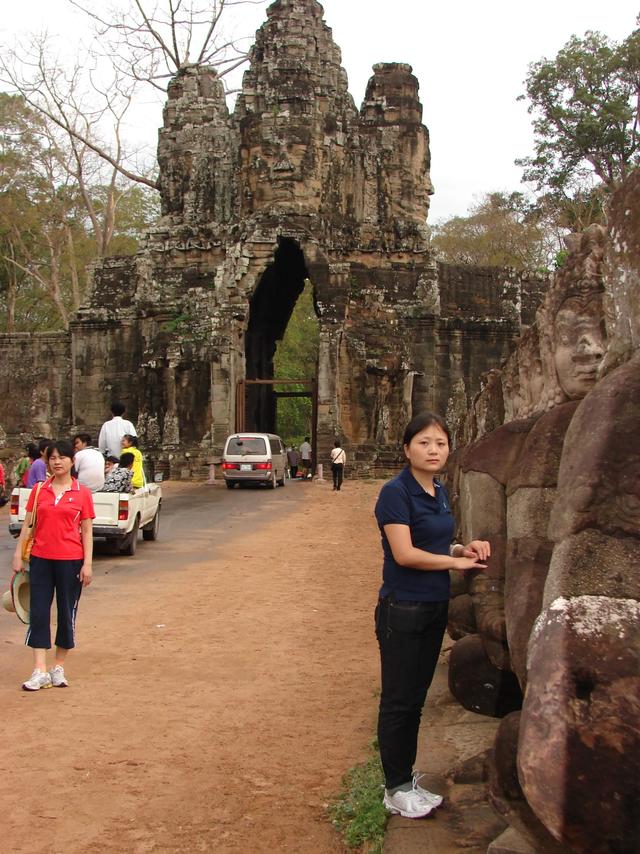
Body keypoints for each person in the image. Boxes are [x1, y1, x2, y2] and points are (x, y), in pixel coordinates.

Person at [374, 412, 490, 818]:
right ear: (406, 449)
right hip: (402, 609)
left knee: (416, 700)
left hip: (432, 607)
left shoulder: (437, 490)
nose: (433, 449)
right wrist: (455, 566)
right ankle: (395, 788)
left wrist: (463, 550)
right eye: (424, 442)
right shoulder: (396, 493)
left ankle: (406, 779)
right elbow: (404, 554)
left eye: (440, 443)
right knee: (398, 701)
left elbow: (439, 542)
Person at [12, 439, 94, 691]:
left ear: (72, 461)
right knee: (38, 612)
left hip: (71, 560)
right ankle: (39, 670)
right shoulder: (39, 491)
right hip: (40, 559)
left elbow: (87, 531)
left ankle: (58, 666)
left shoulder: (82, 493)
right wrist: (18, 555)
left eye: (62, 458)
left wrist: (87, 564)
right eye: (53, 458)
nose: (57, 462)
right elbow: (27, 525)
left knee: (66, 611)